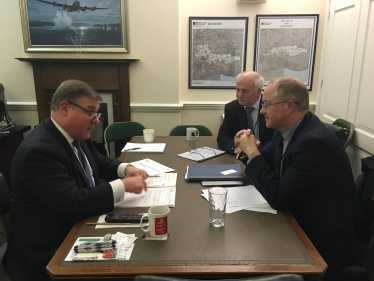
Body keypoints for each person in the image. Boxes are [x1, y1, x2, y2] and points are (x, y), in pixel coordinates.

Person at [2, 79, 149, 281]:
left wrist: (126, 169)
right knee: (129, 266)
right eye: (90, 112)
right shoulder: (39, 151)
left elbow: (97, 161)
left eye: (96, 113)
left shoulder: (73, 134)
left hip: (76, 227)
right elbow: (73, 203)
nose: (96, 120)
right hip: (49, 251)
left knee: (139, 243)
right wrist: (122, 186)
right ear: (65, 107)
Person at [234, 76, 360, 280]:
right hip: (295, 220)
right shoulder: (286, 129)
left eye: (266, 104)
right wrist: (248, 148)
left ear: (289, 106)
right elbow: (263, 161)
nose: (263, 110)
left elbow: (278, 197)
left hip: (319, 242)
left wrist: (253, 153)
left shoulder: (314, 143)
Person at [217, 71, 274, 155]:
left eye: (245, 91)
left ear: (258, 91)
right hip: (240, 157)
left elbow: (276, 140)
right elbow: (223, 136)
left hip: (266, 156)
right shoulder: (232, 108)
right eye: (237, 89)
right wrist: (237, 148)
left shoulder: (271, 107)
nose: (240, 95)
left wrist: (252, 149)